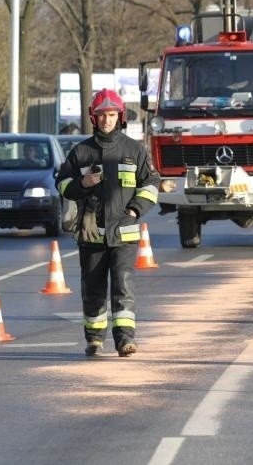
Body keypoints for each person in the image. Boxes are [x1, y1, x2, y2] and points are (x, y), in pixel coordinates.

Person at [56, 88, 160, 357]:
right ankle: (94, 339)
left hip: (124, 233)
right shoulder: (80, 152)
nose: (106, 120)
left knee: (122, 286)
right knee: (93, 288)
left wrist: (136, 209)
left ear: (120, 116)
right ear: (94, 117)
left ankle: (125, 339)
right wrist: (82, 183)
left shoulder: (133, 150)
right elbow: (63, 185)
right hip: (91, 234)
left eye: (111, 115)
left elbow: (151, 184)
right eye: (101, 115)